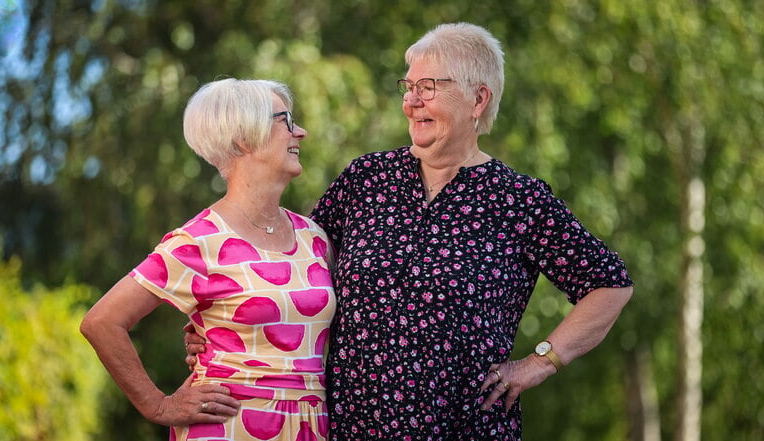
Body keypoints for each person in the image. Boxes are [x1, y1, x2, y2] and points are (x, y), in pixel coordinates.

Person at [187, 22, 634, 440]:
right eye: (409, 87)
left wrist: (540, 362)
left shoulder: (518, 199)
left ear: (478, 100)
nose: (411, 101)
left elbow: (609, 285)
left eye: (429, 87)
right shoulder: (366, 178)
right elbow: (295, 269)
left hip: (466, 428)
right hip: (352, 426)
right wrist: (226, 324)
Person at [81, 78, 336, 441]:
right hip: (227, 428)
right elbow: (102, 321)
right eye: (286, 121)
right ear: (244, 137)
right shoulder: (198, 241)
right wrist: (159, 406)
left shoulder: (314, 237)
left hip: (311, 428)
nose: (302, 132)